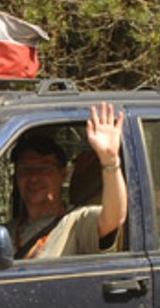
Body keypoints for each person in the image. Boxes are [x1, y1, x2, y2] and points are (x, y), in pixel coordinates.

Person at [9, 102, 127, 258]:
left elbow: (114, 218)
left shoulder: (77, 222)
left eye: (44, 169)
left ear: (63, 175)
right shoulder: (5, 232)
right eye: (26, 169)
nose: (34, 177)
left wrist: (110, 161)